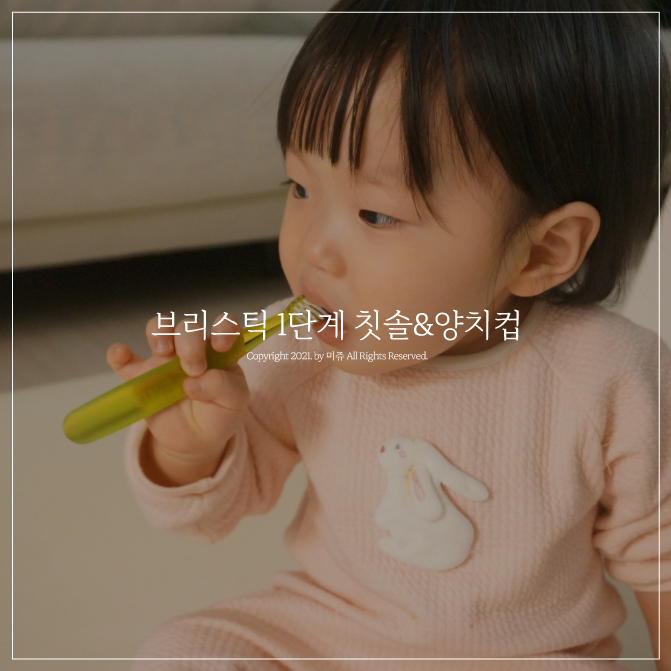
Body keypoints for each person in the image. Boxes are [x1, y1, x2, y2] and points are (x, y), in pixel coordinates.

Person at [106, 1, 671, 668]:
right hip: (329, 630)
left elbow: (659, 554)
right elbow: (210, 512)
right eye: (300, 187)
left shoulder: (612, 376)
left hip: (529, 653)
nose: (314, 249)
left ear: (542, 251)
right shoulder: (297, 348)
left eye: (375, 214)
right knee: (179, 653)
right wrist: (190, 444)